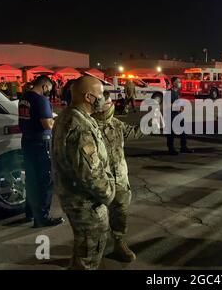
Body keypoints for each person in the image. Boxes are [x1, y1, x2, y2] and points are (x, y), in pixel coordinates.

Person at [52, 76, 115, 270]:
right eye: (101, 94)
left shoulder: (68, 116)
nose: (105, 99)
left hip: (74, 198)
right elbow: (91, 174)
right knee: (89, 256)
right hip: (87, 204)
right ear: (89, 97)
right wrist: (109, 193)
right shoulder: (80, 127)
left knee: (82, 249)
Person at [92, 91, 145, 263]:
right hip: (98, 181)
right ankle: (91, 250)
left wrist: (151, 124)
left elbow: (133, 132)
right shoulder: (89, 126)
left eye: (110, 102)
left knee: (120, 213)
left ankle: (119, 243)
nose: (110, 105)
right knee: (96, 217)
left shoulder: (116, 124)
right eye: (107, 103)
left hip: (120, 179)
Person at [18, 75, 64, 227]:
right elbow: (47, 124)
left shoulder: (24, 97)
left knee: (31, 179)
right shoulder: (41, 100)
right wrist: (57, 121)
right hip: (41, 143)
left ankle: (30, 213)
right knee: (45, 181)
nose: (49, 93)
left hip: (27, 141)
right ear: (44, 86)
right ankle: (42, 217)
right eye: (49, 90)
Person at [167, 77, 193, 155]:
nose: (180, 83)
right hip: (171, 115)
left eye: (180, 81)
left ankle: (183, 147)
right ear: (173, 83)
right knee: (171, 133)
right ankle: (171, 149)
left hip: (179, 115)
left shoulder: (178, 92)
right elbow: (167, 104)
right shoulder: (168, 92)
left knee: (184, 130)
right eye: (178, 82)